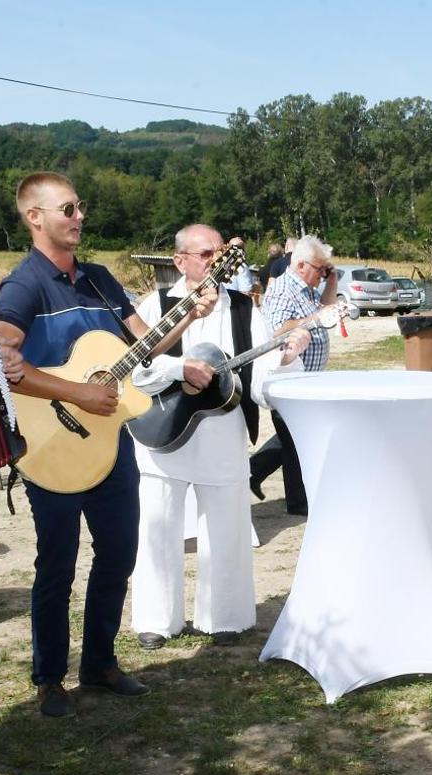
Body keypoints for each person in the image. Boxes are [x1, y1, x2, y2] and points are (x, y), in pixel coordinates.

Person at [0, 171, 213, 718]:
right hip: (51, 445)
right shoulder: (24, 286)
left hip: (109, 446)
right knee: (58, 565)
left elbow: (144, 342)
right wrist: (76, 393)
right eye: (67, 209)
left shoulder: (98, 279)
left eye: (80, 207)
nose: (80, 216)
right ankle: (48, 678)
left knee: (119, 555)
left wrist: (188, 312)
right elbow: (0, 358)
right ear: (34, 217)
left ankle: (99, 663)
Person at [130, 223, 284, 649]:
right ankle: (157, 620)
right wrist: (180, 371)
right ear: (179, 260)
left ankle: (226, 618)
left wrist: (284, 366)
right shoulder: (156, 303)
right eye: (205, 253)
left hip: (222, 431)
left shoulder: (242, 308)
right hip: (160, 429)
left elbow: (260, 377)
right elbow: (138, 371)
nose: (215, 260)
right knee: (158, 526)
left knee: (226, 526)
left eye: (220, 252)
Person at [250, 235, 339, 515]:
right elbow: (276, 330)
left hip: (307, 379)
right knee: (294, 442)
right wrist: (311, 320)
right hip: (288, 378)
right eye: (320, 269)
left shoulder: (308, 287)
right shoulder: (283, 290)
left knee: (291, 437)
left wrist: (332, 283)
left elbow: (324, 311)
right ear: (301, 265)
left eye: (326, 269)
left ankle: (251, 473)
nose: (322, 275)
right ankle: (299, 502)